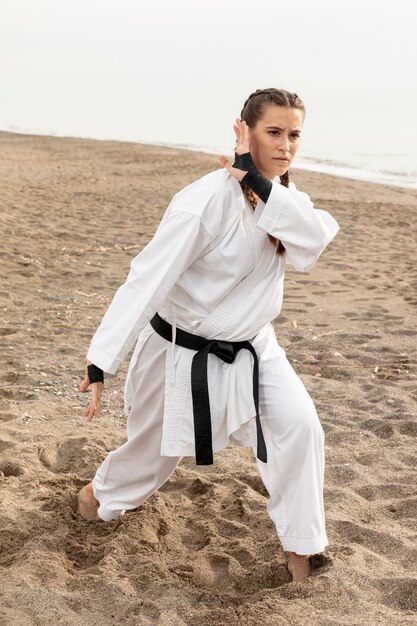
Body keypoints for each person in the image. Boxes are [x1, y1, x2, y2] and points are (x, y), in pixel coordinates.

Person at [77, 88, 340, 583]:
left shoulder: (285, 200)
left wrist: (258, 180)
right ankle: (94, 499)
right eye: (274, 132)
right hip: (180, 353)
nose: (286, 145)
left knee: (301, 428)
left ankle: (301, 555)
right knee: (148, 463)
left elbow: (312, 242)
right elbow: (146, 279)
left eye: (295, 134)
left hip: (255, 349)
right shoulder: (203, 201)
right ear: (243, 132)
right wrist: (101, 361)